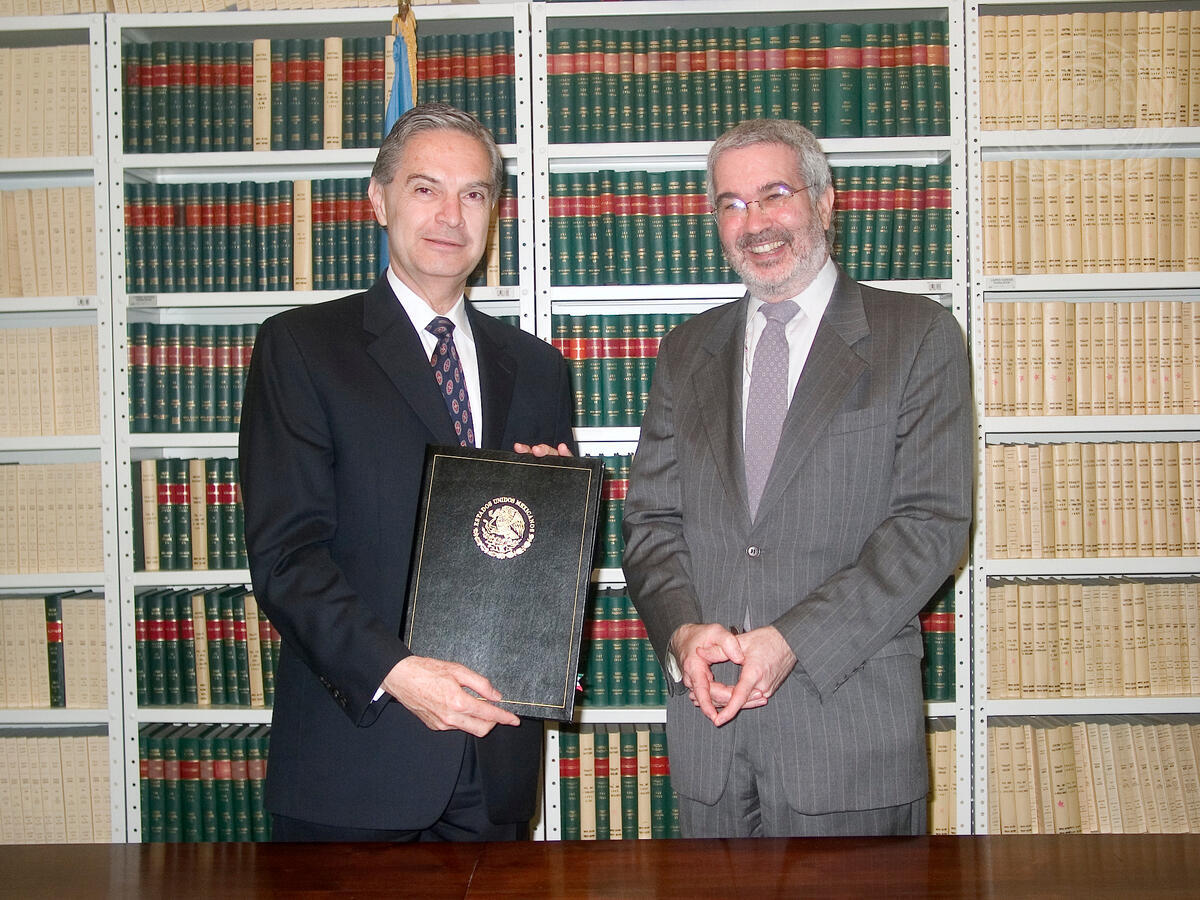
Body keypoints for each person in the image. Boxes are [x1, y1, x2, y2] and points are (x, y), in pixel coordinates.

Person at [622, 118, 972, 838]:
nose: (754, 223)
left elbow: (930, 526)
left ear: (825, 200)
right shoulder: (685, 351)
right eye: (731, 204)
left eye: (774, 195)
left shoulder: (917, 336)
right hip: (711, 741)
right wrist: (681, 633)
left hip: (850, 740)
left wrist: (793, 641)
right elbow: (652, 524)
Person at [238, 102, 574, 842]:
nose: (451, 215)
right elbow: (286, 558)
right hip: (354, 766)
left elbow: (528, 558)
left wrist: (554, 520)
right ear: (379, 199)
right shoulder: (302, 348)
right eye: (426, 189)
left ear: (494, 211)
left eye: (474, 193)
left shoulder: (537, 369)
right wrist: (398, 674)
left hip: (494, 765)